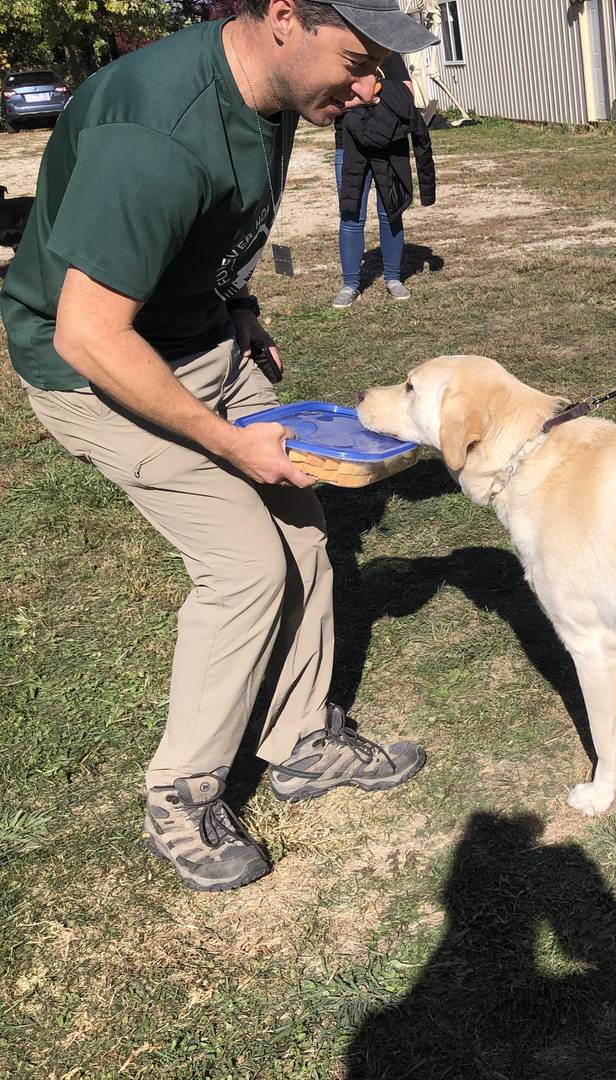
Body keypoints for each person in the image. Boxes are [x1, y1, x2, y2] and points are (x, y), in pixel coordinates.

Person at [0, 0, 439, 892]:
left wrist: (237, 301)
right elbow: (90, 335)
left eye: (383, 72)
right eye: (359, 62)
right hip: (97, 368)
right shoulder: (158, 131)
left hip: (201, 338)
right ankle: (181, 795)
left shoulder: (275, 95)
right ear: (286, 16)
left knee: (305, 536)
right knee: (244, 567)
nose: (370, 92)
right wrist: (228, 446)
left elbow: (217, 229)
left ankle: (304, 741)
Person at [331, 50, 436, 308]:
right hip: (349, 146)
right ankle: (350, 284)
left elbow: (407, 94)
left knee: (392, 210)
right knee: (351, 214)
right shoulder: (341, 56)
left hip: (391, 144)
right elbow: (332, 103)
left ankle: (393, 278)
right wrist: (372, 98)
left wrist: (372, 94)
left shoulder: (389, 55)